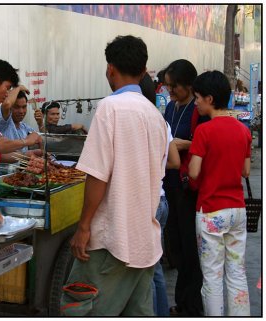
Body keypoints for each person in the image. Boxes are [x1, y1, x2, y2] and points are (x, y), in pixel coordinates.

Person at [60, 35, 167, 316]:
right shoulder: (155, 116)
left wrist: (84, 227)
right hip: (145, 241)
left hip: (111, 241)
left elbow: (97, 175)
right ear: (144, 72)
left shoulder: (110, 107)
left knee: (83, 310)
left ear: (110, 69)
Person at [189, 70, 251, 316]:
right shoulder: (243, 130)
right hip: (237, 210)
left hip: (211, 210)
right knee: (237, 272)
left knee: (212, 275)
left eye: (197, 98)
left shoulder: (205, 131)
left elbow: (193, 172)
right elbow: (246, 171)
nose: (196, 103)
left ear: (210, 99)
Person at [162, 59, 209, 316]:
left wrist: (183, 144)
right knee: (175, 245)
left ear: (189, 85)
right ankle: (183, 302)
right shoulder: (170, 107)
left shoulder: (197, 110)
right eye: (168, 87)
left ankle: (191, 304)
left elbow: (202, 143)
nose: (170, 92)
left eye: (174, 87)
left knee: (190, 247)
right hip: (169, 182)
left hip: (187, 185)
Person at [152, 123, 180, 317]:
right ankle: (161, 313)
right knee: (154, 266)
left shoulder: (134, 120)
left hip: (148, 203)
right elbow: (175, 162)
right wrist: (157, 166)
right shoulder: (163, 123)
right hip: (161, 200)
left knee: (146, 270)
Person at [0, 89, 43, 163]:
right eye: (16, 107)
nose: (21, 111)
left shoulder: (24, 127)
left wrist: (40, 124)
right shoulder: (3, 123)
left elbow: (41, 140)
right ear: (10, 107)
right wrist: (19, 87)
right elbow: (6, 105)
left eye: (24, 107)